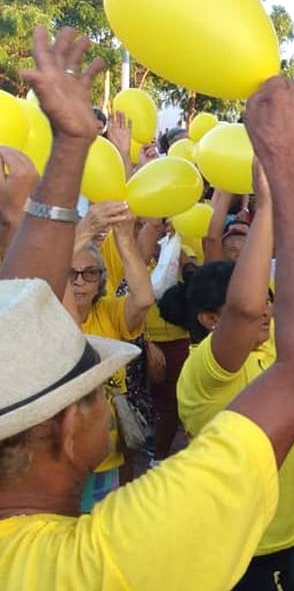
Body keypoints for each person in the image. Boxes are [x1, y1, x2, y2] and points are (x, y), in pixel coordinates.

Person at [0, 26, 294, 589]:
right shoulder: (115, 557)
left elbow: (17, 332)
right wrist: (285, 166)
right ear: (68, 428)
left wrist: (69, 150)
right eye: (92, 396)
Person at [174, 164, 294, 590]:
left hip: (291, 532)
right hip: (238, 546)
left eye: (266, 300)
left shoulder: (272, 348)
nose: (265, 310)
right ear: (210, 319)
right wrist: (266, 205)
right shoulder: (204, 371)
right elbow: (246, 309)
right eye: (252, 305)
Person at [65, 200, 153, 509]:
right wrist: (81, 232)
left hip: (106, 450)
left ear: (101, 280)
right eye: (70, 273)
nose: (78, 282)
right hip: (59, 457)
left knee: (98, 537)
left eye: (89, 274)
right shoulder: (47, 313)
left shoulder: (108, 313)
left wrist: (126, 240)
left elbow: (142, 300)